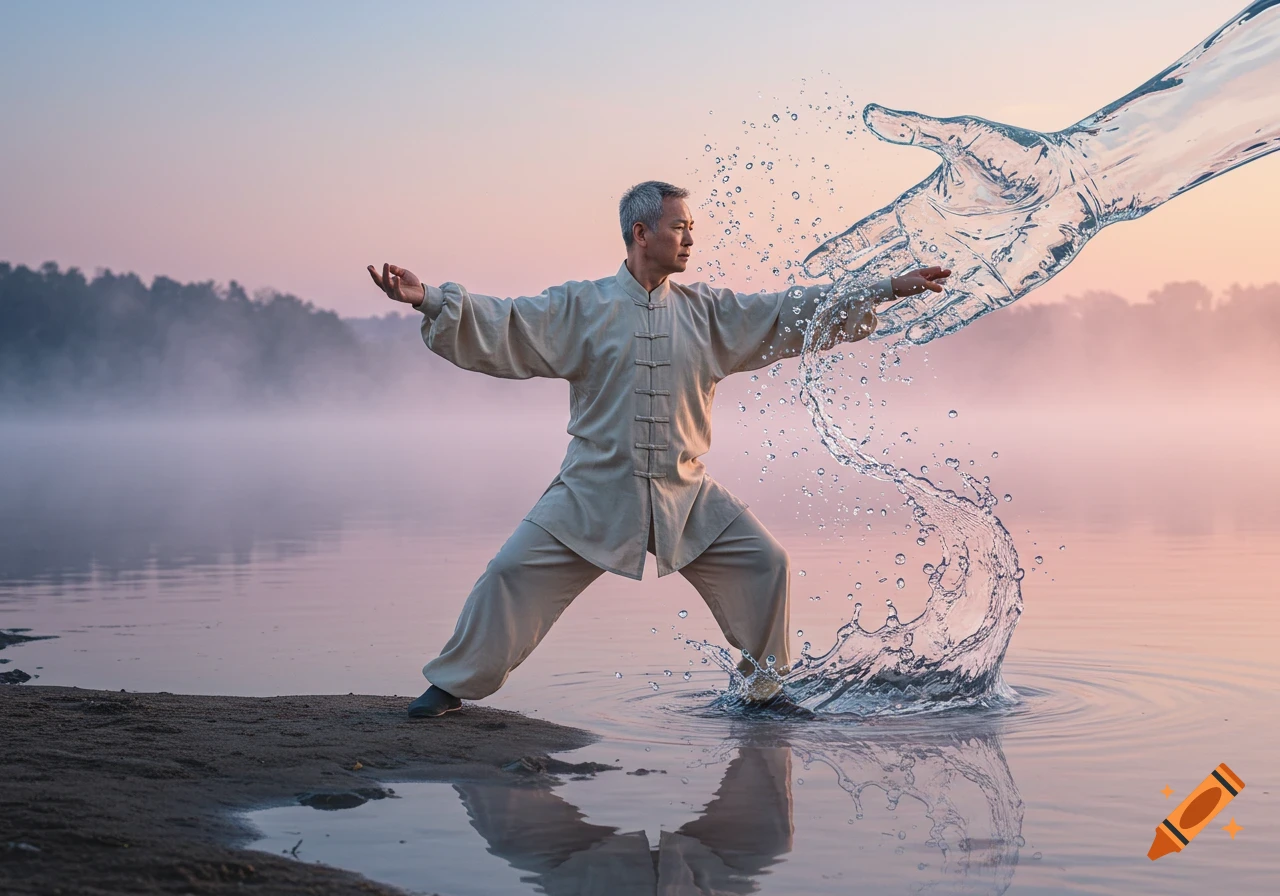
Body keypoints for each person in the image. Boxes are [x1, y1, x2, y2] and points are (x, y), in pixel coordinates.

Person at [367, 181, 949, 718]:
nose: (690, 238)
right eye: (679, 227)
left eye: (692, 227)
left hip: (685, 491)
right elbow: (509, 321)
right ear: (641, 234)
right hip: (594, 490)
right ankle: (449, 688)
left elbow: (790, 309)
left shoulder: (711, 314)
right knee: (509, 573)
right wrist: (430, 300)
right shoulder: (581, 307)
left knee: (766, 564)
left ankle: (763, 690)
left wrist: (887, 288)